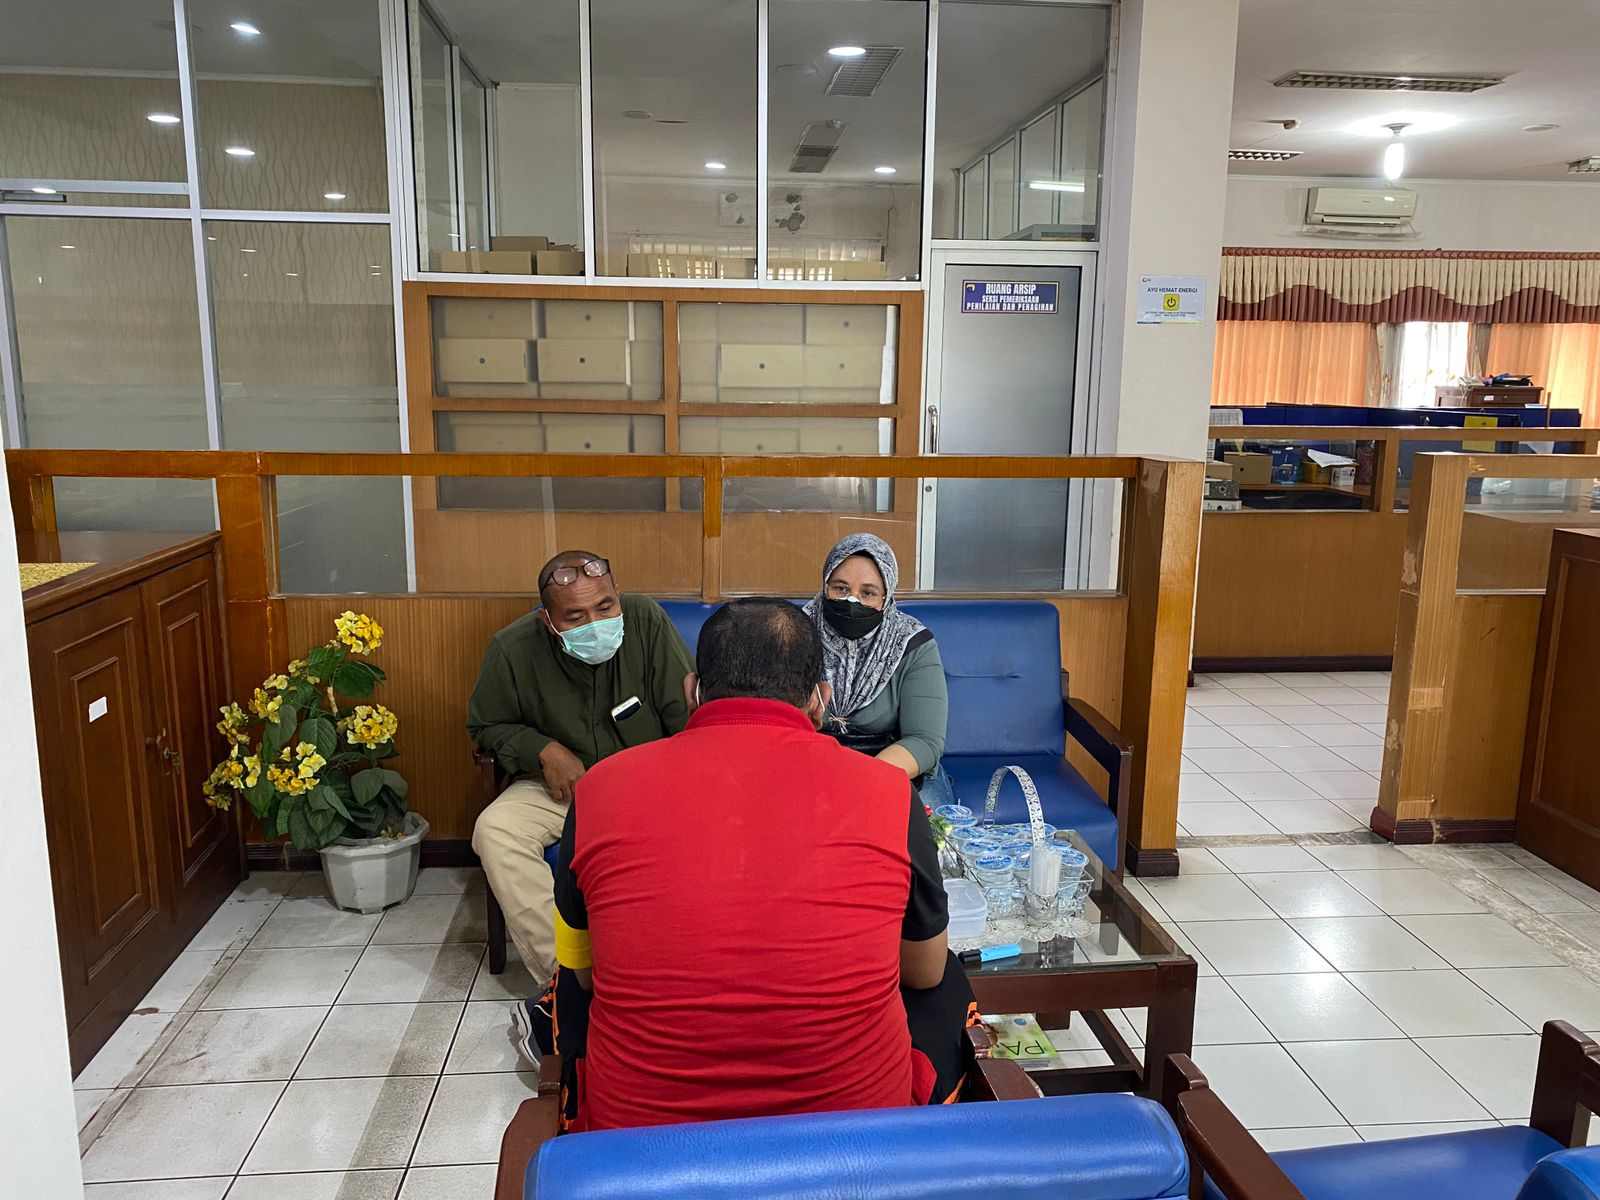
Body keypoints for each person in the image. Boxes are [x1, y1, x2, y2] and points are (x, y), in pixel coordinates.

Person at [550, 597, 974, 1131]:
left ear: (692, 691)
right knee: (945, 980)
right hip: (856, 1141)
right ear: (820, 700)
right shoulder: (888, 793)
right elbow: (924, 969)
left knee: (566, 983)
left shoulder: (599, 789)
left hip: (640, 1146)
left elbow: (587, 977)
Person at [467, 549, 693, 1060]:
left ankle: (672, 972)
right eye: (576, 616)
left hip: (647, 787)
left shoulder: (646, 621)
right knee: (495, 829)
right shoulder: (511, 648)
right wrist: (541, 749)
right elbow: (485, 726)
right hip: (562, 792)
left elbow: (686, 714)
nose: (596, 623)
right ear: (548, 621)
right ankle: (568, 981)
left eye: (605, 607)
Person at [802, 533, 948, 783]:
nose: (852, 600)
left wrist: (860, 781)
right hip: (809, 767)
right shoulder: (795, 633)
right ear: (825, 587)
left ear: (885, 598)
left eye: (868, 593)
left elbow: (924, 741)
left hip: (890, 769)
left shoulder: (911, 644)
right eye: (840, 588)